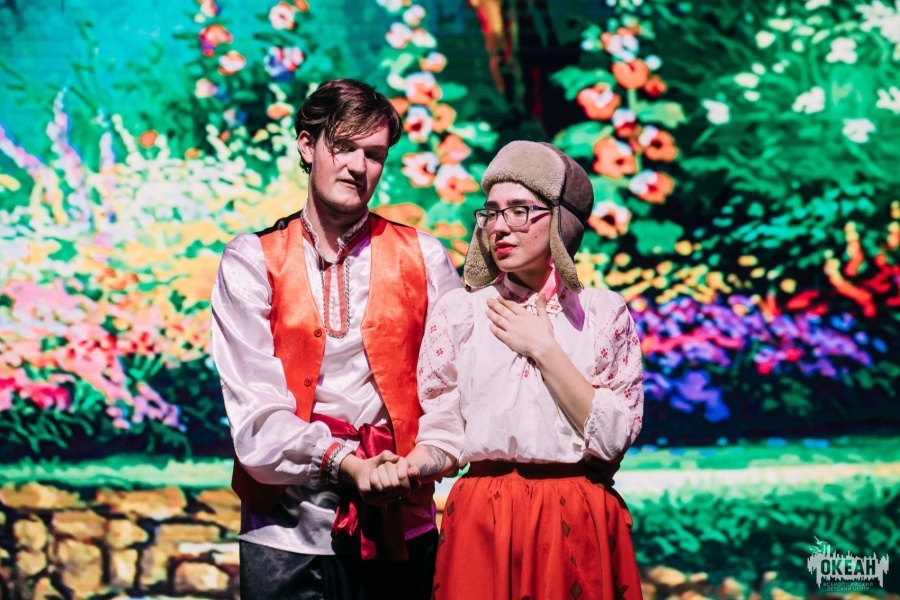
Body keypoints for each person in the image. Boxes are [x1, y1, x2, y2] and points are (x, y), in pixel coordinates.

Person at [211, 78, 462, 600]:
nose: (357, 166)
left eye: (374, 154)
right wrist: (347, 464)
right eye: (343, 147)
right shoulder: (252, 260)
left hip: (400, 527)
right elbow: (256, 418)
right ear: (308, 145)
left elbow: (454, 395)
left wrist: (418, 463)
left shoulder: (425, 257)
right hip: (286, 537)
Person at [370, 140, 645, 599]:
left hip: (574, 517)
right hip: (484, 518)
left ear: (559, 219)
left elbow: (614, 438)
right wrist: (408, 467)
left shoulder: (601, 314)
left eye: (519, 211)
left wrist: (545, 349)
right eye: (492, 212)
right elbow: (445, 434)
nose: (499, 226)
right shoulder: (460, 313)